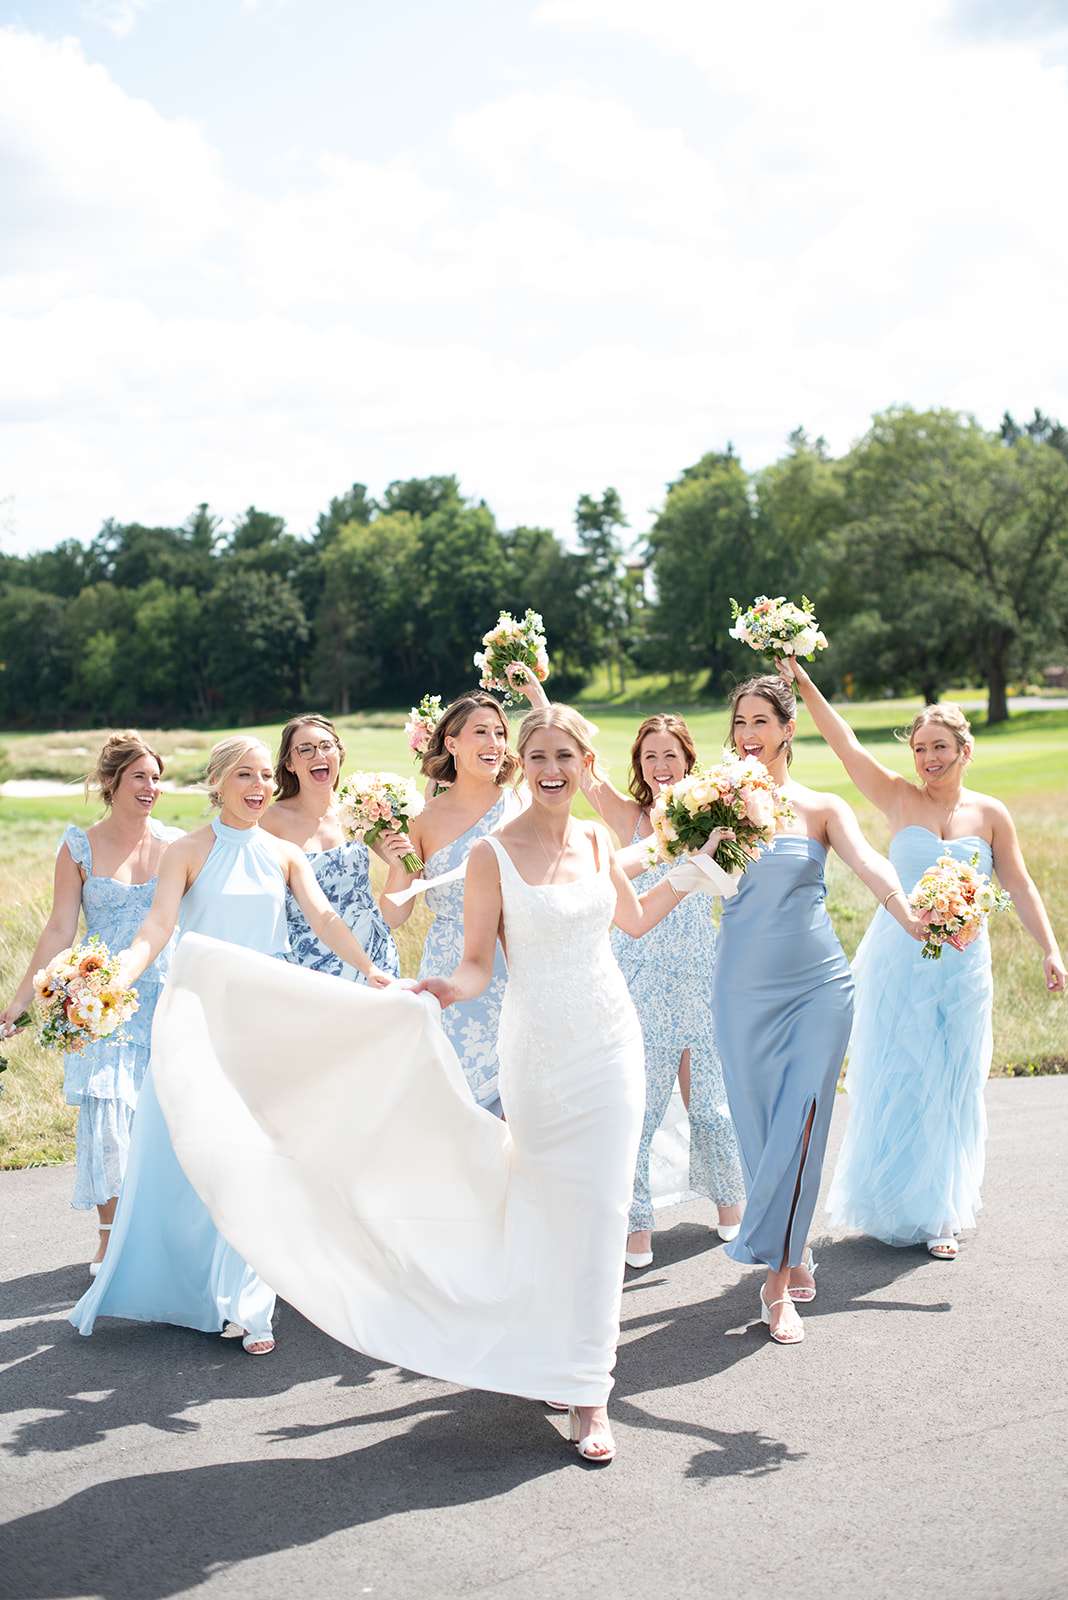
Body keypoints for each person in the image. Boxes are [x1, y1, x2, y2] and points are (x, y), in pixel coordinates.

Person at [145, 705, 730, 1461]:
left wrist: (693, 868)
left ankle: (591, 1390)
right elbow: (479, 962)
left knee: (605, 1209)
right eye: (539, 756)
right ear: (525, 764)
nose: (552, 769)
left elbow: (637, 918)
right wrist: (448, 989)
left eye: (566, 756)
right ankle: (550, 1348)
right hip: (539, 1053)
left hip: (611, 1045)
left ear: (587, 764)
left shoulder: (595, 840)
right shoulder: (491, 853)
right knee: (549, 1206)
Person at [69, 736, 393, 1356]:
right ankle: (197, 1287)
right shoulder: (187, 851)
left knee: (258, 1158)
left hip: (265, 1018)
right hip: (200, 1015)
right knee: (202, 1155)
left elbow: (325, 919)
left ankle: (249, 1305)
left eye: (266, 776)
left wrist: (370, 969)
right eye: (245, 775)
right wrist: (114, 980)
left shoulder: (282, 854)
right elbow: (157, 927)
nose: (259, 786)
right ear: (218, 782)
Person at [782, 660, 1067, 1258]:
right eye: (919, 749)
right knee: (898, 1075)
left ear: (965, 749)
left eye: (939, 747)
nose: (928, 759)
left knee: (951, 1079)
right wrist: (804, 684)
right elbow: (845, 745)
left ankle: (941, 1212)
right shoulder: (897, 797)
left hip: (963, 967)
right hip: (899, 959)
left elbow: (1018, 883)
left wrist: (1050, 948)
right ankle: (893, 1200)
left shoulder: (991, 815)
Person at [712, 675, 926, 1344]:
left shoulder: (821, 807)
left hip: (817, 987)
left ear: (787, 729)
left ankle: (776, 1283)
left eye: (760, 721)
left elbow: (870, 864)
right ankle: (791, 1242)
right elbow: (668, 866)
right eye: (739, 722)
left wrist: (910, 915)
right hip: (740, 990)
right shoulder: (712, 805)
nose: (747, 734)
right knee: (758, 1127)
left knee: (802, 1123)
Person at [0, 732, 182, 1275]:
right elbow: (60, 928)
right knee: (107, 1111)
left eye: (156, 778)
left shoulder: (176, 845)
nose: (151, 787)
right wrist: (21, 1002)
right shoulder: (78, 846)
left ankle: (161, 1233)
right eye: (139, 777)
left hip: (164, 994)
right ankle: (109, 1237)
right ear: (111, 782)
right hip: (98, 1001)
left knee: (161, 1115)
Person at [582, 714, 746, 1267]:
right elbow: (582, 771)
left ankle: (730, 1200)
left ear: (688, 760)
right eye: (649, 756)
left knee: (711, 1102)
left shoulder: (712, 818)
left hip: (700, 973)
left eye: (670, 754)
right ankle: (636, 1225)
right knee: (641, 1104)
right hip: (640, 975)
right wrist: (534, 689)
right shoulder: (630, 818)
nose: (659, 766)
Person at [380, 676, 546, 1116]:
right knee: (458, 1103)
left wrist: (534, 694)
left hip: (519, 961)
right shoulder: (422, 819)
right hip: (451, 969)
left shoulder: (523, 803)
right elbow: (395, 916)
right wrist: (398, 862)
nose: (494, 742)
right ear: (451, 744)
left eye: (500, 733)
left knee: (523, 1100)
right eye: (481, 732)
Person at [261, 713, 402, 982]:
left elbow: (403, 868)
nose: (319, 755)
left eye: (326, 746)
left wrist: (401, 861)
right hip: (307, 959)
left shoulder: (359, 809)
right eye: (305, 749)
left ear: (339, 753)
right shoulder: (270, 821)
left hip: (373, 951)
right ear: (289, 764)